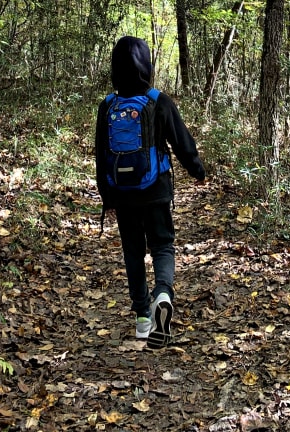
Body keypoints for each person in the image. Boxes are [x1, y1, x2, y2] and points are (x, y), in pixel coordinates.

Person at [95, 35, 206, 349]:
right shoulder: (159, 101)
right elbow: (182, 142)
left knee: (132, 251)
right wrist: (197, 170)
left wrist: (108, 198)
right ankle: (163, 294)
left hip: (122, 191)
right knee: (162, 245)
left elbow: (101, 155)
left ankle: (143, 318)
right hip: (156, 189)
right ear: (147, 65)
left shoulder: (107, 106)